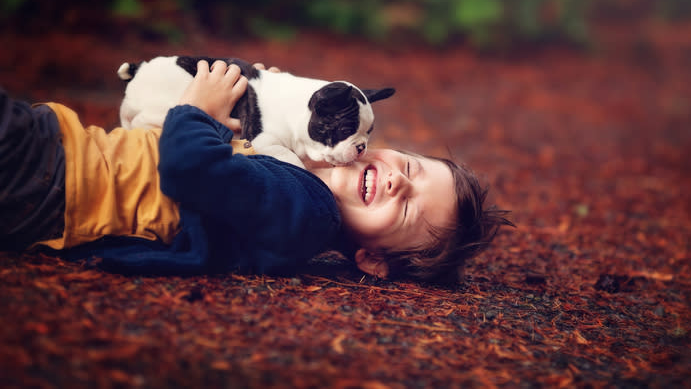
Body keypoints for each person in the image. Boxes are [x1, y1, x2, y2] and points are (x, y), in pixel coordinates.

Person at [0, 60, 512, 284]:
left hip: (60, 175)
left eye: (409, 207)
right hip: (63, 167)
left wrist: (198, 109)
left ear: (372, 259)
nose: (400, 181)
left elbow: (189, 168)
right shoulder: (292, 177)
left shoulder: (304, 210)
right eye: (411, 168)